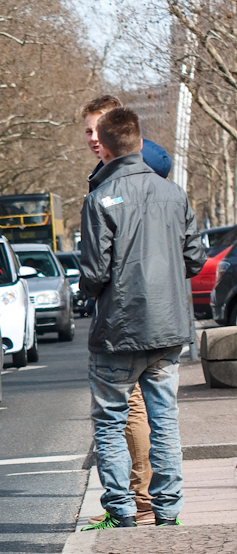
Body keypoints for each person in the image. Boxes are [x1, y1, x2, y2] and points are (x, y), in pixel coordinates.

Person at [79, 107, 206, 530]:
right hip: (169, 327)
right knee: (163, 419)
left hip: (119, 329)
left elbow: (95, 273)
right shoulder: (174, 194)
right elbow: (194, 258)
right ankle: (167, 510)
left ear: (108, 147)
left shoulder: (100, 200)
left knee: (111, 420)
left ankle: (123, 510)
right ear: (138, 141)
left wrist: (87, 294)